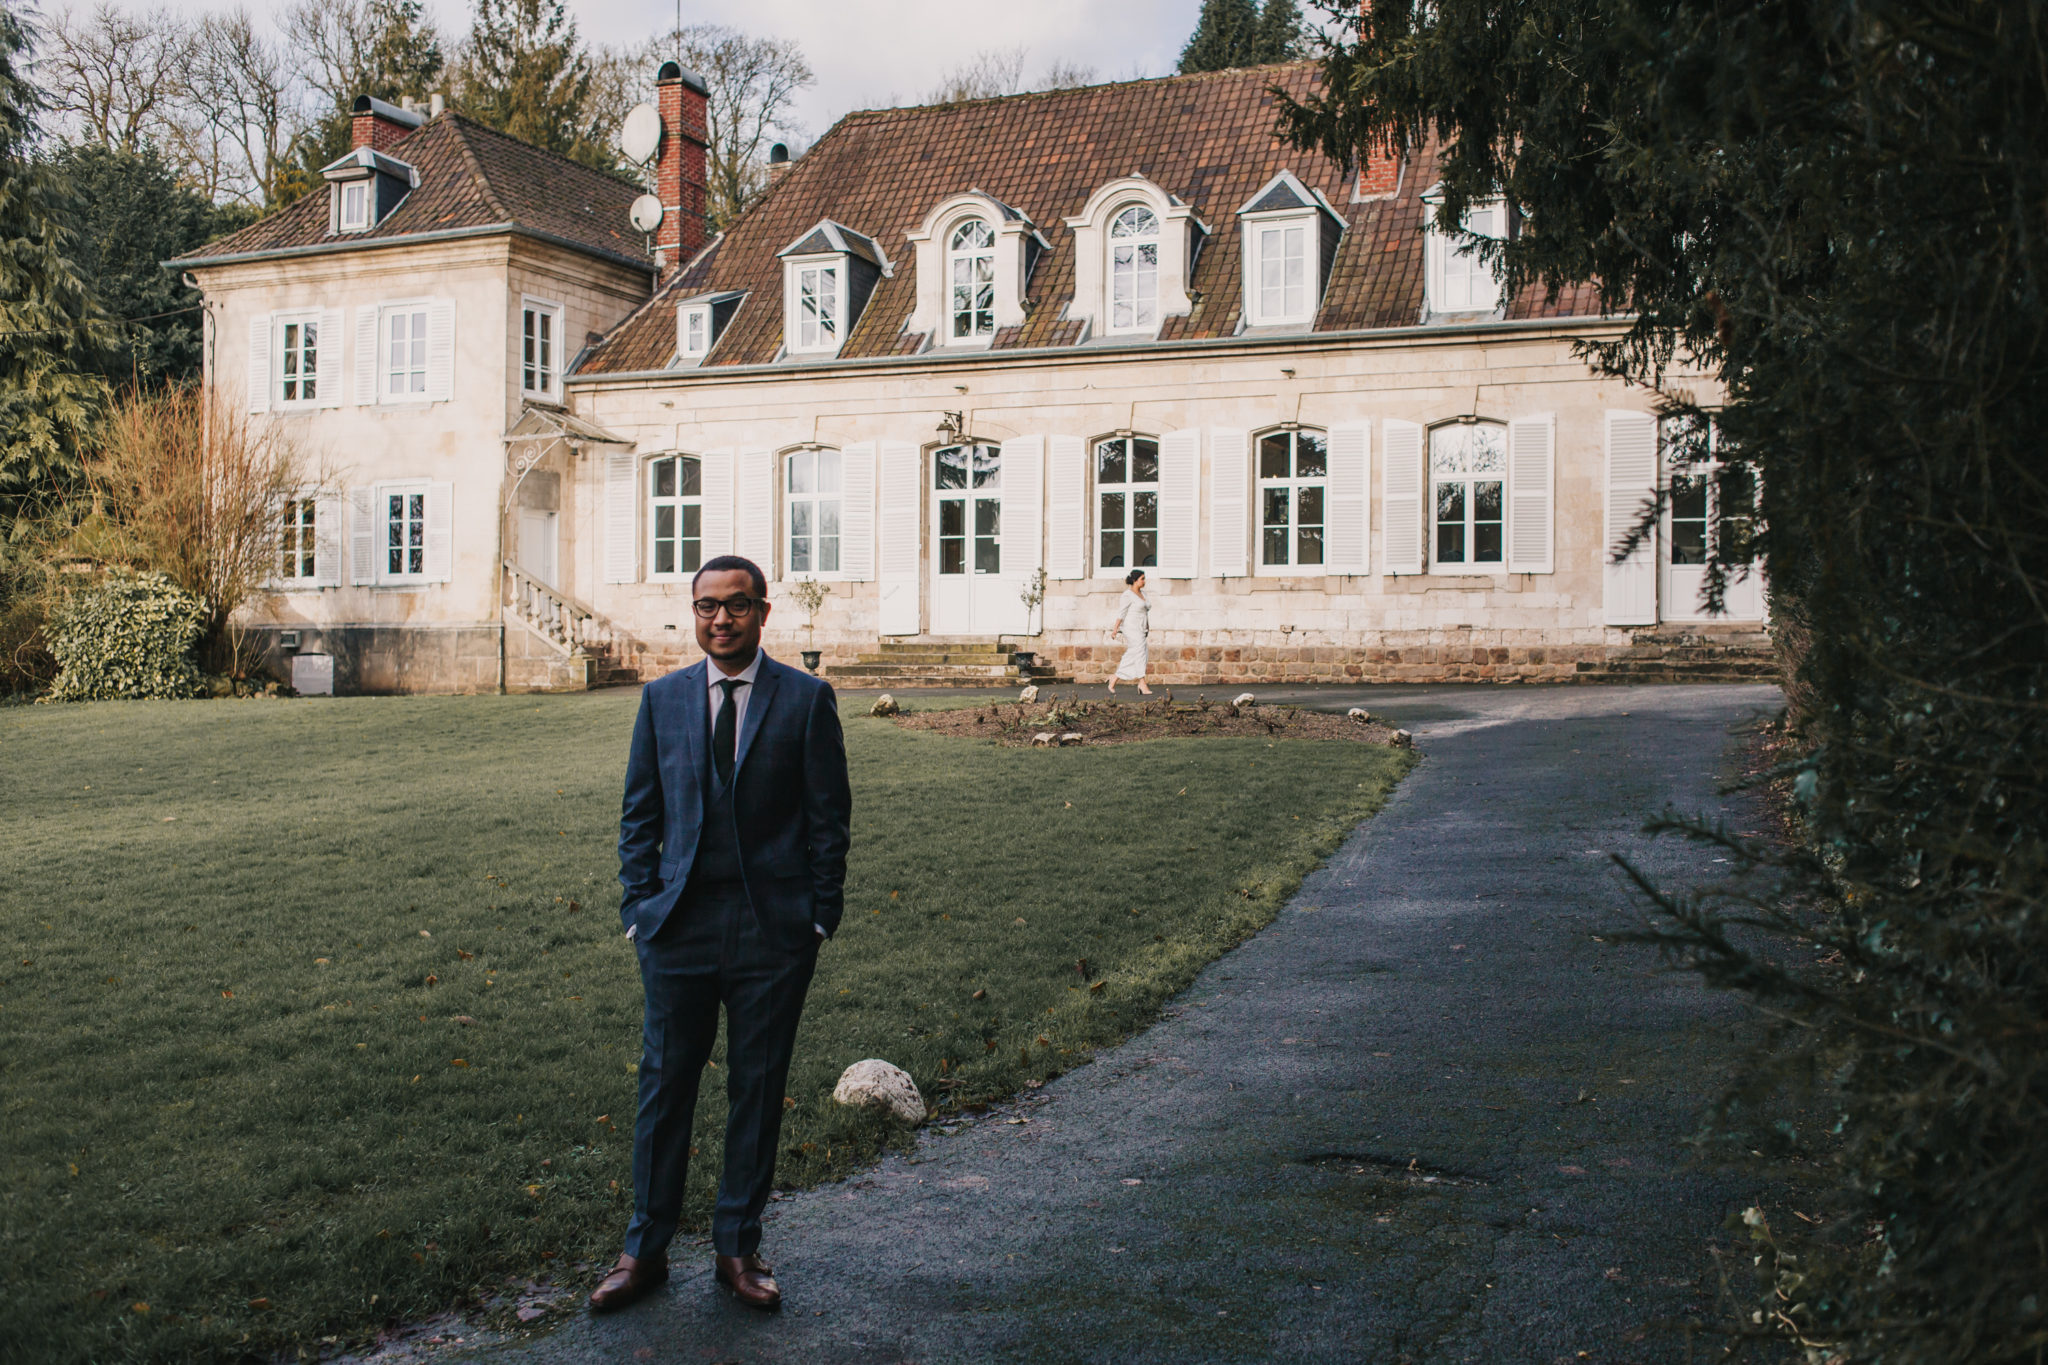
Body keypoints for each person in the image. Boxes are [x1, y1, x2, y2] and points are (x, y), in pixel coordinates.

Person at [590, 554, 851, 1315]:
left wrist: (817, 915)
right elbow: (640, 814)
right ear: (693, 611)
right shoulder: (663, 699)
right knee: (664, 1086)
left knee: (756, 1088)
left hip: (773, 931)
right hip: (677, 928)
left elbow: (829, 819)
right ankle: (645, 1248)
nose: (721, 619)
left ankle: (737, 1245)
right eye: (707, 606)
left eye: (736, 606)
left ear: (764, 612)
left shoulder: (805, 700)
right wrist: (640, 908)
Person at [1107, 568, 1153, 696]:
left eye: (1144, 578)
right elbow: (1121, 613)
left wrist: (1147, 627)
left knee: (1137, 652)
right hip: (1131, 627)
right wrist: (1115, 629)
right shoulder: (1127, 595)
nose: (1144, 581)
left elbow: (1145, 612)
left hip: (1142, 627)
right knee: (1139, 652)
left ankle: (1114, 678)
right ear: (1135, 580)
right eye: (1142, 579)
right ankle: (1142, 683)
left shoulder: (1144, 594)